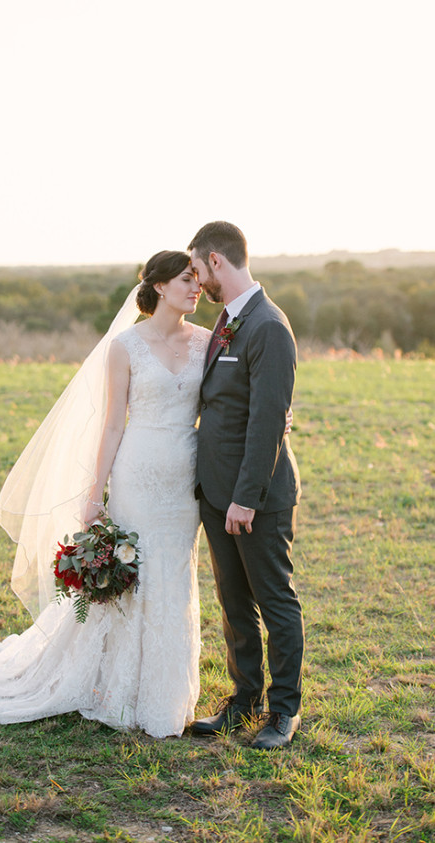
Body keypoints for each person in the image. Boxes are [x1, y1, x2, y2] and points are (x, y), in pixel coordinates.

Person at [0, 251, 209, 739]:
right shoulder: (125, 347)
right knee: (138, 575)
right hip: (137, 475)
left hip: (185, 481)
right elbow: (112, 422)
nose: (197, 287)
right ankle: (112, 683)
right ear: (160, 286)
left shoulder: (207, 342)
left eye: (199, 280)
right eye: (188, 279)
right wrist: (95, 493)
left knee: (174, 574)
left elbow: (226, 403)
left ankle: (164, 694)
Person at [188, 221, 304, 749]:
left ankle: (283, 712)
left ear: (217, 260)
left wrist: (244, 499)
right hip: (216, 492)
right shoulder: (227, 321)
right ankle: (243, 701)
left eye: (197, 267)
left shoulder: (268, 327)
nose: (196, 280)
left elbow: (266, 421)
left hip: (255, 496)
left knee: (273, 598)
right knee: (235, 603)